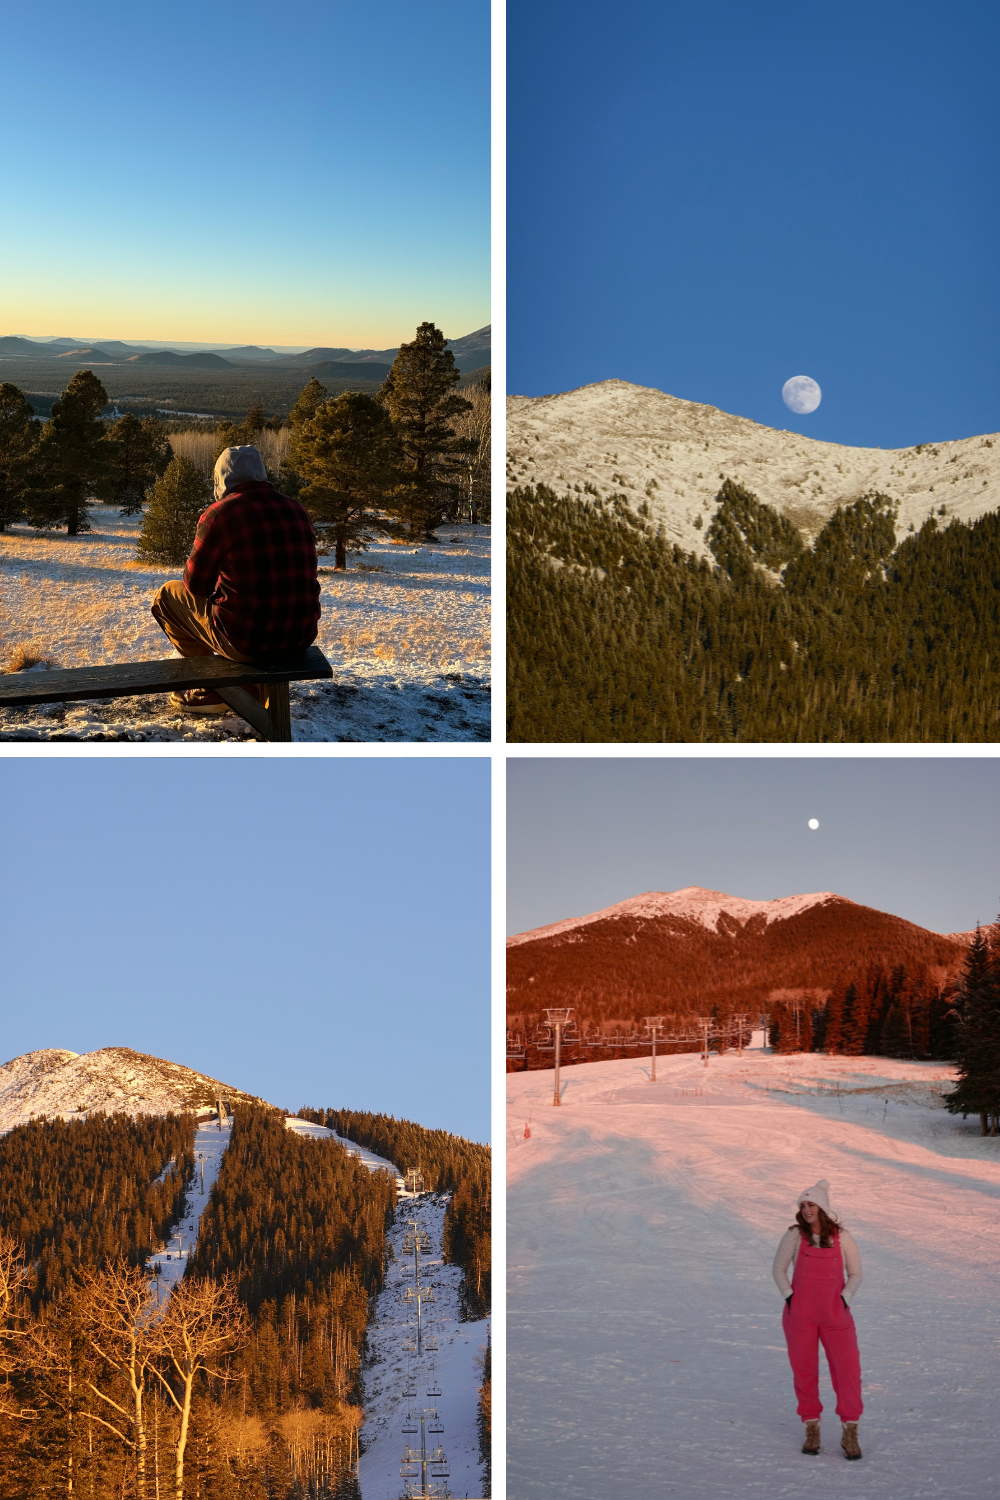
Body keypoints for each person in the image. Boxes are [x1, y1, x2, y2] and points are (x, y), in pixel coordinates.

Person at [151, 445, 321, 715]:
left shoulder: (220, 515)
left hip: (247, 642)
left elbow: (195, 586)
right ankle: (247, 686)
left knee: (167, 596)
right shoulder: (297, 509)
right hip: (299, 638)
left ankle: (216, 686)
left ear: (220, 480)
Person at [772, 1178, 864, 1460]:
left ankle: (850, 1431)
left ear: (822, 1208)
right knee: (805, 1372)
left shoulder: (842, 1237)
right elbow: (778, 1269)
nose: (806, 1209)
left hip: (836, 1316)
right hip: (800, 1317)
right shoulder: (794, 1236)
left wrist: (844, 1298)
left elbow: (856, 1273)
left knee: (847, 1371)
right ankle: (811, 1428)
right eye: (803, 1205)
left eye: (811, 1204)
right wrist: (791, 1298)